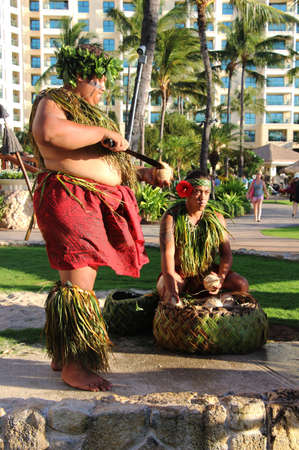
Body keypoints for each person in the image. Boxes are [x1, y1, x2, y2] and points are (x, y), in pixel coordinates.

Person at [28, 43, 173, 392]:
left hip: (88, 200)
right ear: (79, 75)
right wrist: (103, 133)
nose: (103, 87)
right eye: (98, 79)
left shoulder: (83, 112)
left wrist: (145, 174)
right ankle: (76, 365)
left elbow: (102, 164)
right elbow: (48, 133)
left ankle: (63, 354)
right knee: (80, 285)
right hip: (71, 197)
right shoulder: (54, 101)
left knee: (71, 283)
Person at [156, 170, 248, 304]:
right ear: (186, 191)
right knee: (166, 287)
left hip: (207, 274)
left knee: (241, 285)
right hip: (180, 275)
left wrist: (220, 278)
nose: (202, 198)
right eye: (197, 191)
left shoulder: (216, 218)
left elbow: (226, 255)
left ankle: (214, 301)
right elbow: (167, 255)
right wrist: (171, 290)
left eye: (206, 192)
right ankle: (186, 300)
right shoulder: (172, 218)